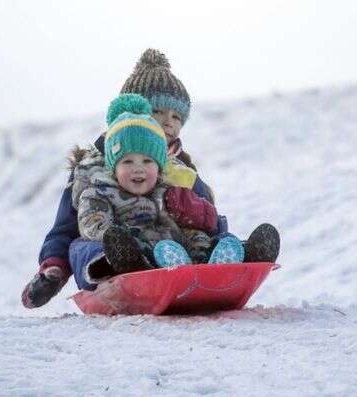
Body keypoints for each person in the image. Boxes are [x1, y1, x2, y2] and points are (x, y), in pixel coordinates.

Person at [21, 49, 280, 308]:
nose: (168, 123)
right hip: (108, 245)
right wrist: (52, 271)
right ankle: (117, 263)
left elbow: (208, 220)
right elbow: (64, 229)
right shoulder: (91, 169)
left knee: (206, 237)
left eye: (176, 116)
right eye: (158, 112)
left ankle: (237, 257)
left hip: (170, 252)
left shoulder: (183, 172)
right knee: (82, 245)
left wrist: (210, 225)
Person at [70, 93, 246, 289]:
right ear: (113, 168)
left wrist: (198, 232)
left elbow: (191, 225)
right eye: (127, 161)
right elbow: (93, 224)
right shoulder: (100, 192)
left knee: (201, 236)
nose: (138, 168)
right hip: (129, 252)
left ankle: (222, 261)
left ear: (159, 167)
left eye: (147, 161)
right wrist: (119, 238)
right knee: (95, 246)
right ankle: (130, 266)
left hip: (171, 252)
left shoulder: (165, 192)